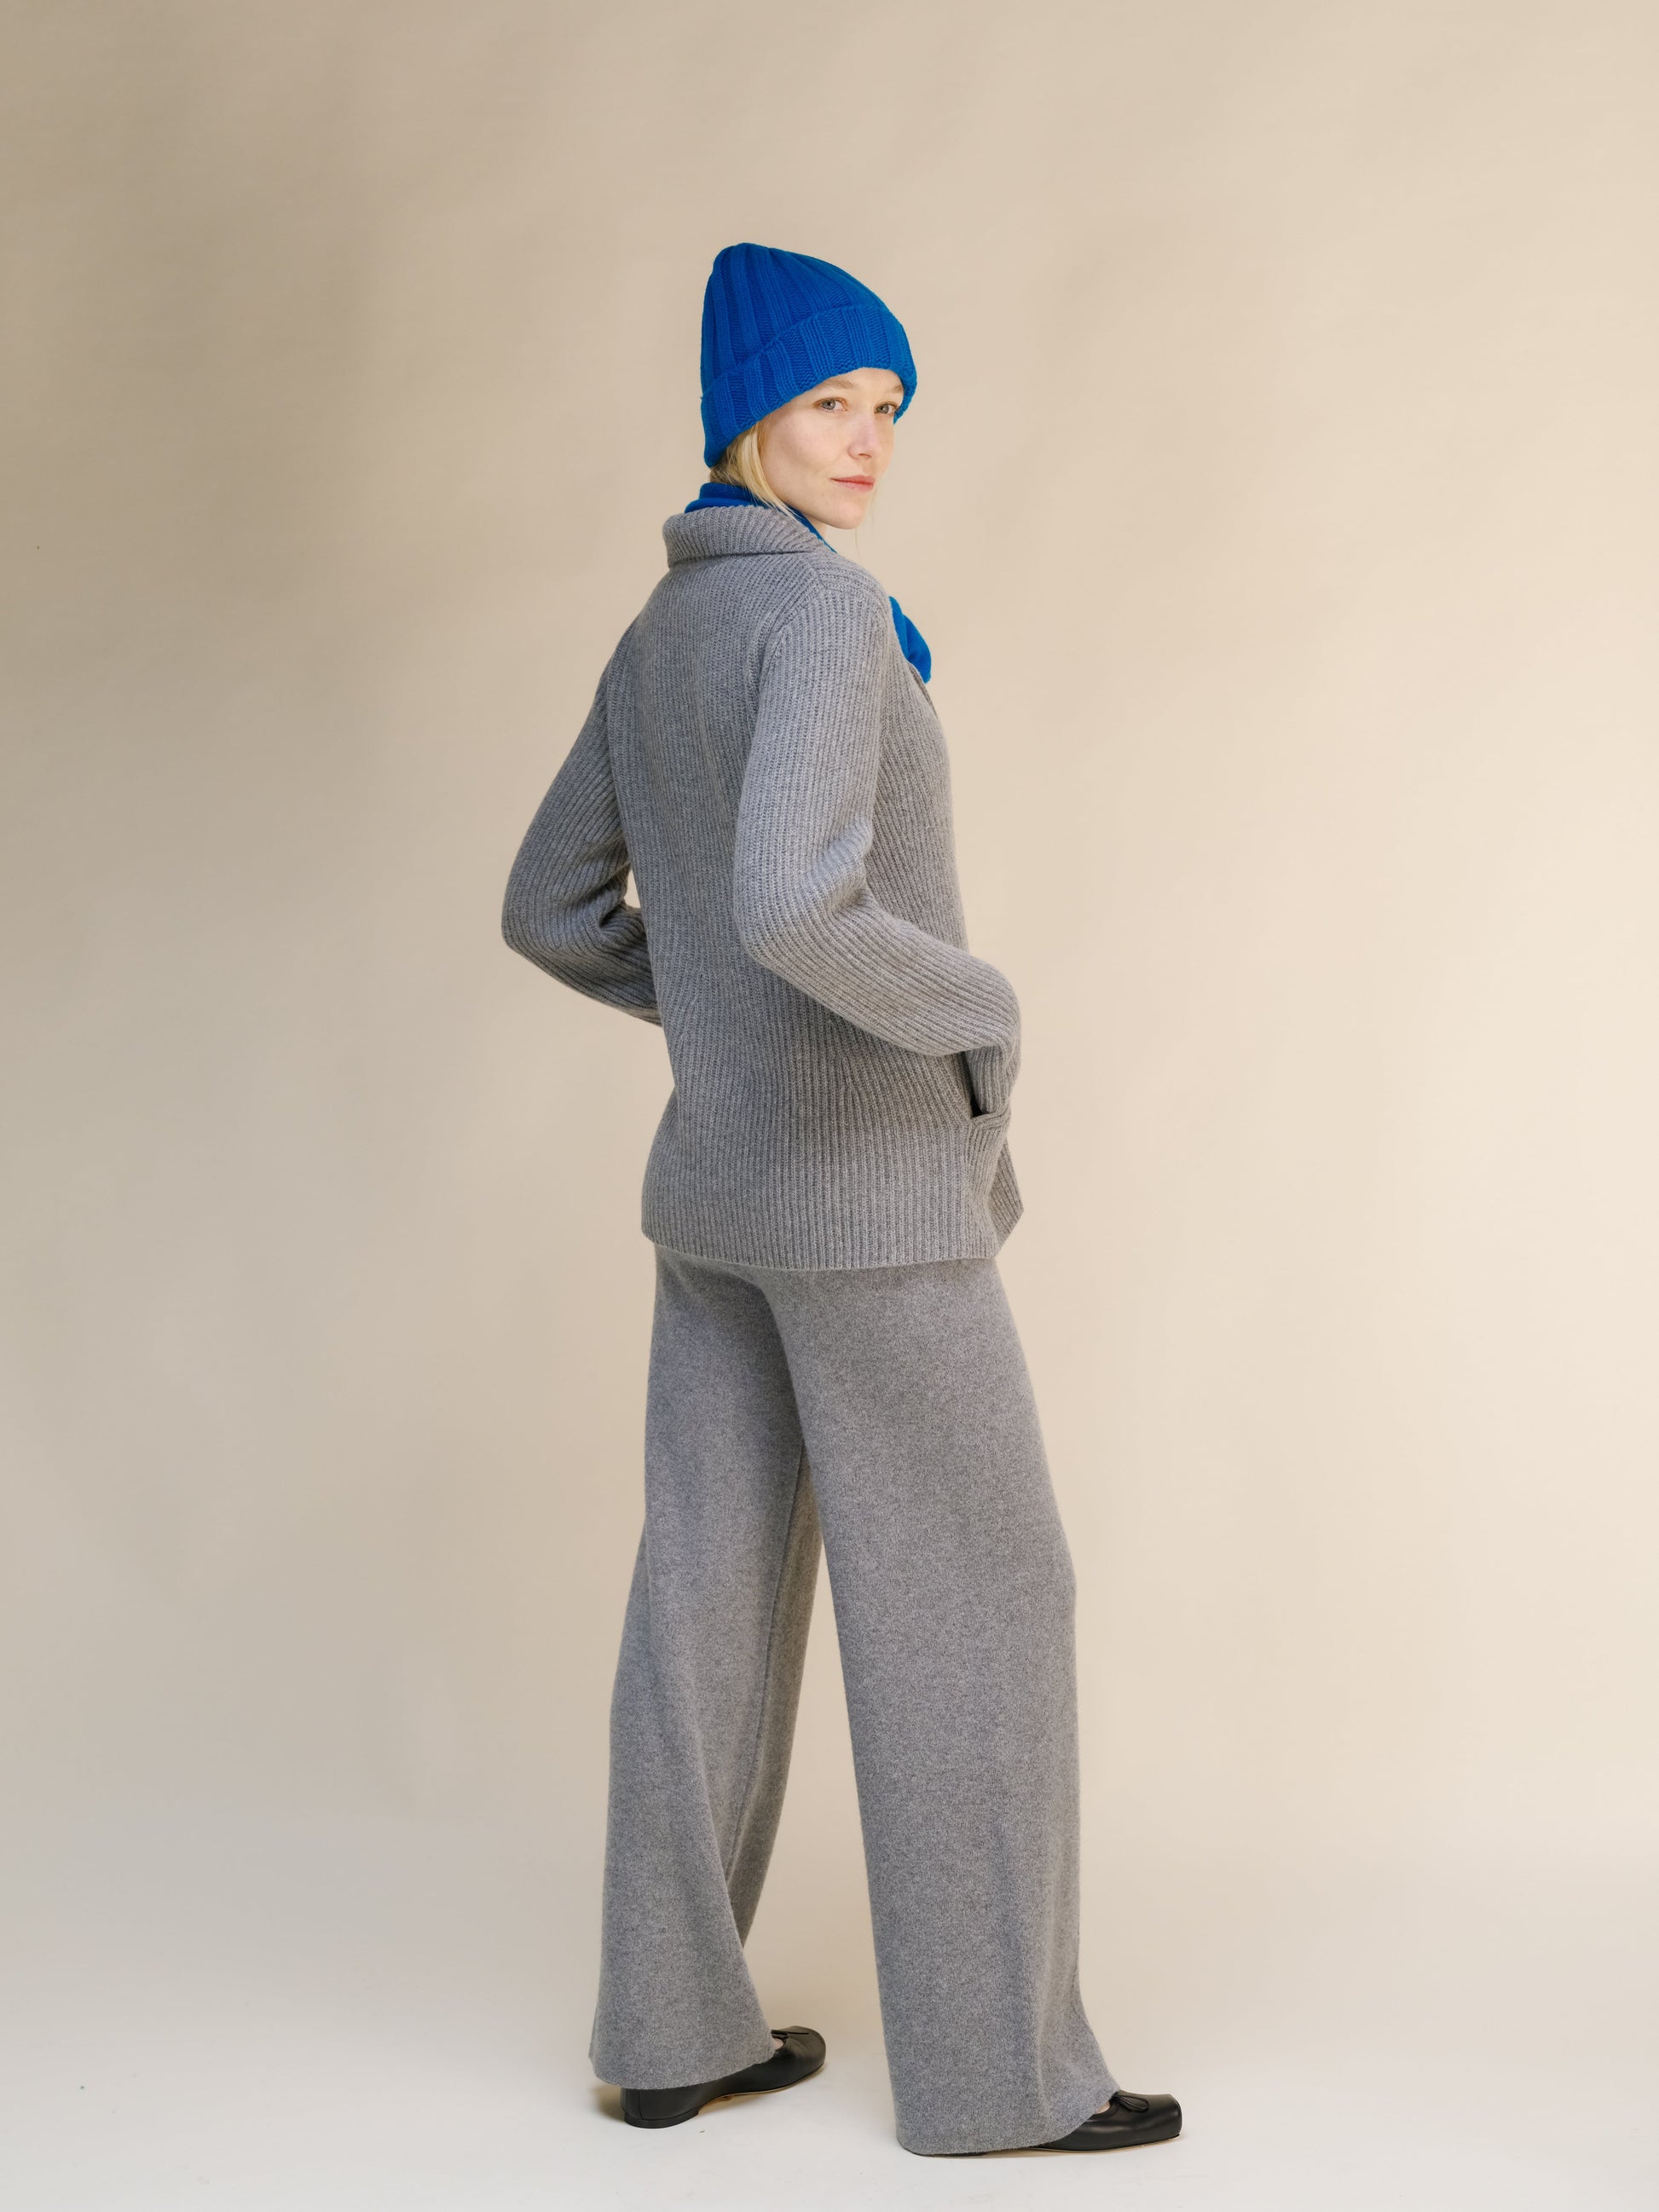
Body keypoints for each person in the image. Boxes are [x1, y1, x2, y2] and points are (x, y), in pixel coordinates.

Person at [500, 241, 1182, 2160]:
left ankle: (665, 2030)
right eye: (829, 403)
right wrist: (978, 1006)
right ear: (746, 414)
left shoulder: (662, 630)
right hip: (869, 1199)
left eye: (888, 407)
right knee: (981, 1601)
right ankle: (994, 2078)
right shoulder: (818, 609)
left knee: (703, 1598)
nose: (868, 440)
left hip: (719, 1193)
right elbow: (798, 900)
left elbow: (550, 906)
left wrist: (717, 1025)